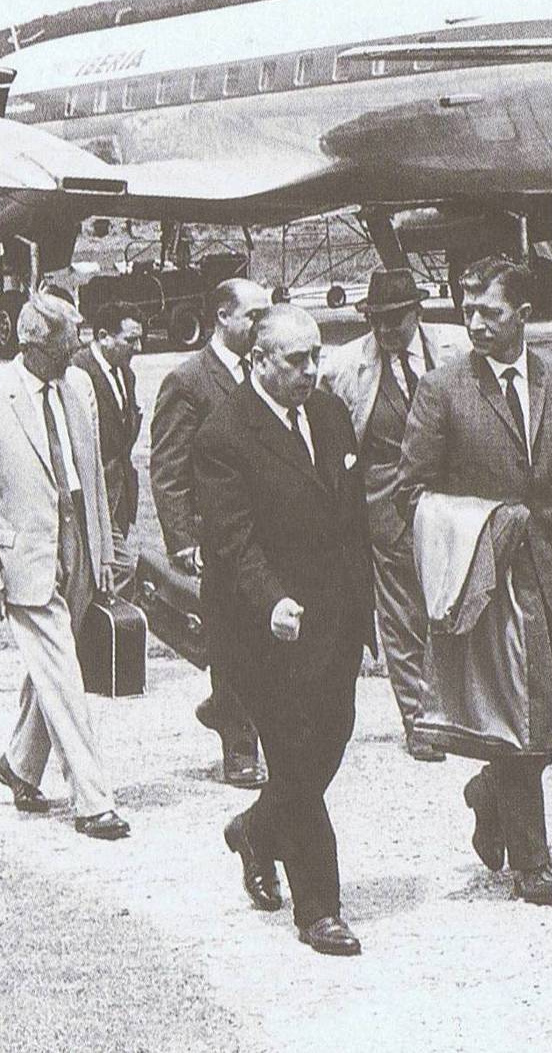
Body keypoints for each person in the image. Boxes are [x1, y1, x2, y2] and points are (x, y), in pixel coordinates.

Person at [395, 255, 552, 908]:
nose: (475, 322)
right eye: (467, 308)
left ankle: (489, 791)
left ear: (524, 315)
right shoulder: (442, 388)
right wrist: (485, 526)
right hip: (491, 580)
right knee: (523, 715)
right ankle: (533, 865)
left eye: (490, 311)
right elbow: (412, 494)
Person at [194, 304, 373, 956]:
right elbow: (232, 542)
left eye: (315, 356)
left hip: (335, 622)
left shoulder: (328, 414)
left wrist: (365, 606)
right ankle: (319, 909)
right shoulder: (224, 435)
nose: (309, 370)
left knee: (330, 740)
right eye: (294, 361)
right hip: (260, 632)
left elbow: (351, 519)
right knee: (296, 755)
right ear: (256, 361)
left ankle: (255, 830)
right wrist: (272, 601)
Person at [0, 291, 130, 842]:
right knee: (63, 674)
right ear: (38, 342)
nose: (80, 343)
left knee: (52, 667)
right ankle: (93, 800)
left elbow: (94, 478)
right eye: (70, 334)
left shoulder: (77, 389)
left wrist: (103, 552)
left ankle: (19, 765)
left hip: (78, 540)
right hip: (25, 559)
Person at [318, 267, 467, 761]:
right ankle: (419, 720)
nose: (385, 331)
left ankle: (458, 710)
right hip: (382, 509)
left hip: (448, 506)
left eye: (395, 320)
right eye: (376, 321)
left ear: (417, 313)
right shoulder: (344, 366)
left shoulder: (457, 350)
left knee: (450, 610)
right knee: (401, 619)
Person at [148, 278, 269, 787]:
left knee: (267, 635)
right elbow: (168, 467)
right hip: (215, 533)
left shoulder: (267, 370)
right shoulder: (189, 380)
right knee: (236, 636)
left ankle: (225, 705)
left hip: (266, 529)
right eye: (254, 316)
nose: (264, 324)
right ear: (222, 316)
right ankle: (240, 748)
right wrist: (183, 541)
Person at [76, 301, 146, 539]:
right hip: (93, 499)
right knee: (122, 568)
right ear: (104, 336)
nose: (138, 348)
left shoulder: (126, 373)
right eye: (131, 340)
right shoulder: (77, 372)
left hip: (121, 497)